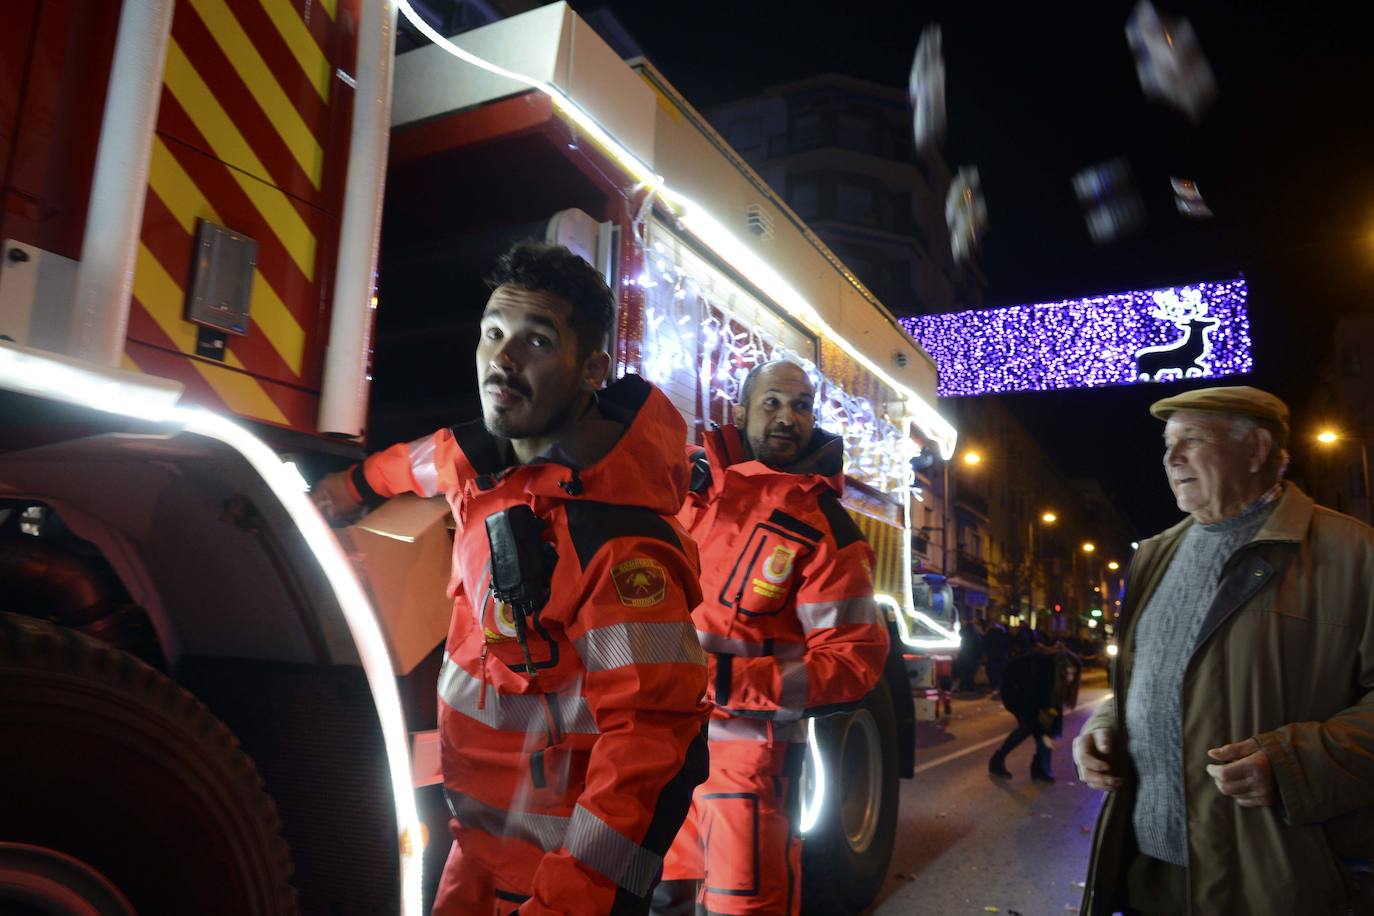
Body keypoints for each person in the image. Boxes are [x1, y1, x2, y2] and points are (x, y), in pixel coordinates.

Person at [313, 241, 710, 915]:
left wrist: (569, 897)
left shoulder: (618, 544)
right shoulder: (485, 461)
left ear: (591, 370)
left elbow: (649, 749)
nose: (503, 357)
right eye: (493, 334)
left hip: (550, 883)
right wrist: (348, 488)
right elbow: (416, 464)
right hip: (476, 854)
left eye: (535, 340)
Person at [1073, 386, 1374, 915]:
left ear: (1257, 450)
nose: (1171, 458)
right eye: (1167, 443)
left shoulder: (1354, 554)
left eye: (1193, 439)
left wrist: (1297, 765)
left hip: (1277, 880)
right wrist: (1107, 723)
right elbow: (1150, 678)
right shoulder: (1154, 557)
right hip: (1151, 874)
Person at [652, 359, 890, 916]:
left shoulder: (828, 530)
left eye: (802, 406)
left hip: (746, 770)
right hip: (656, 752)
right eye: (773, 403)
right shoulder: (688, 483)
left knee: (745, 907)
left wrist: (723, 681)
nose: (788, 417)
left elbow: (852, 663)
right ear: (740, 411)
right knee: (658, 898)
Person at [988, 638, 1080, 782]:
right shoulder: (1045, 672)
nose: (1070, 678)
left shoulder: (1059, 672)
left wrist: (1049, 731)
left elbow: (1053, 709)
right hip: (1015, 691)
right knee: (1027, 727)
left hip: (1027, 692)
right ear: (1060, 670)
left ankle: (1040, 769)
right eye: (1067, 674)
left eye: (1074, 674)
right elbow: (1035, 707)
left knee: (1046, 729)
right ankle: (997, 761)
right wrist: (1043, 734)